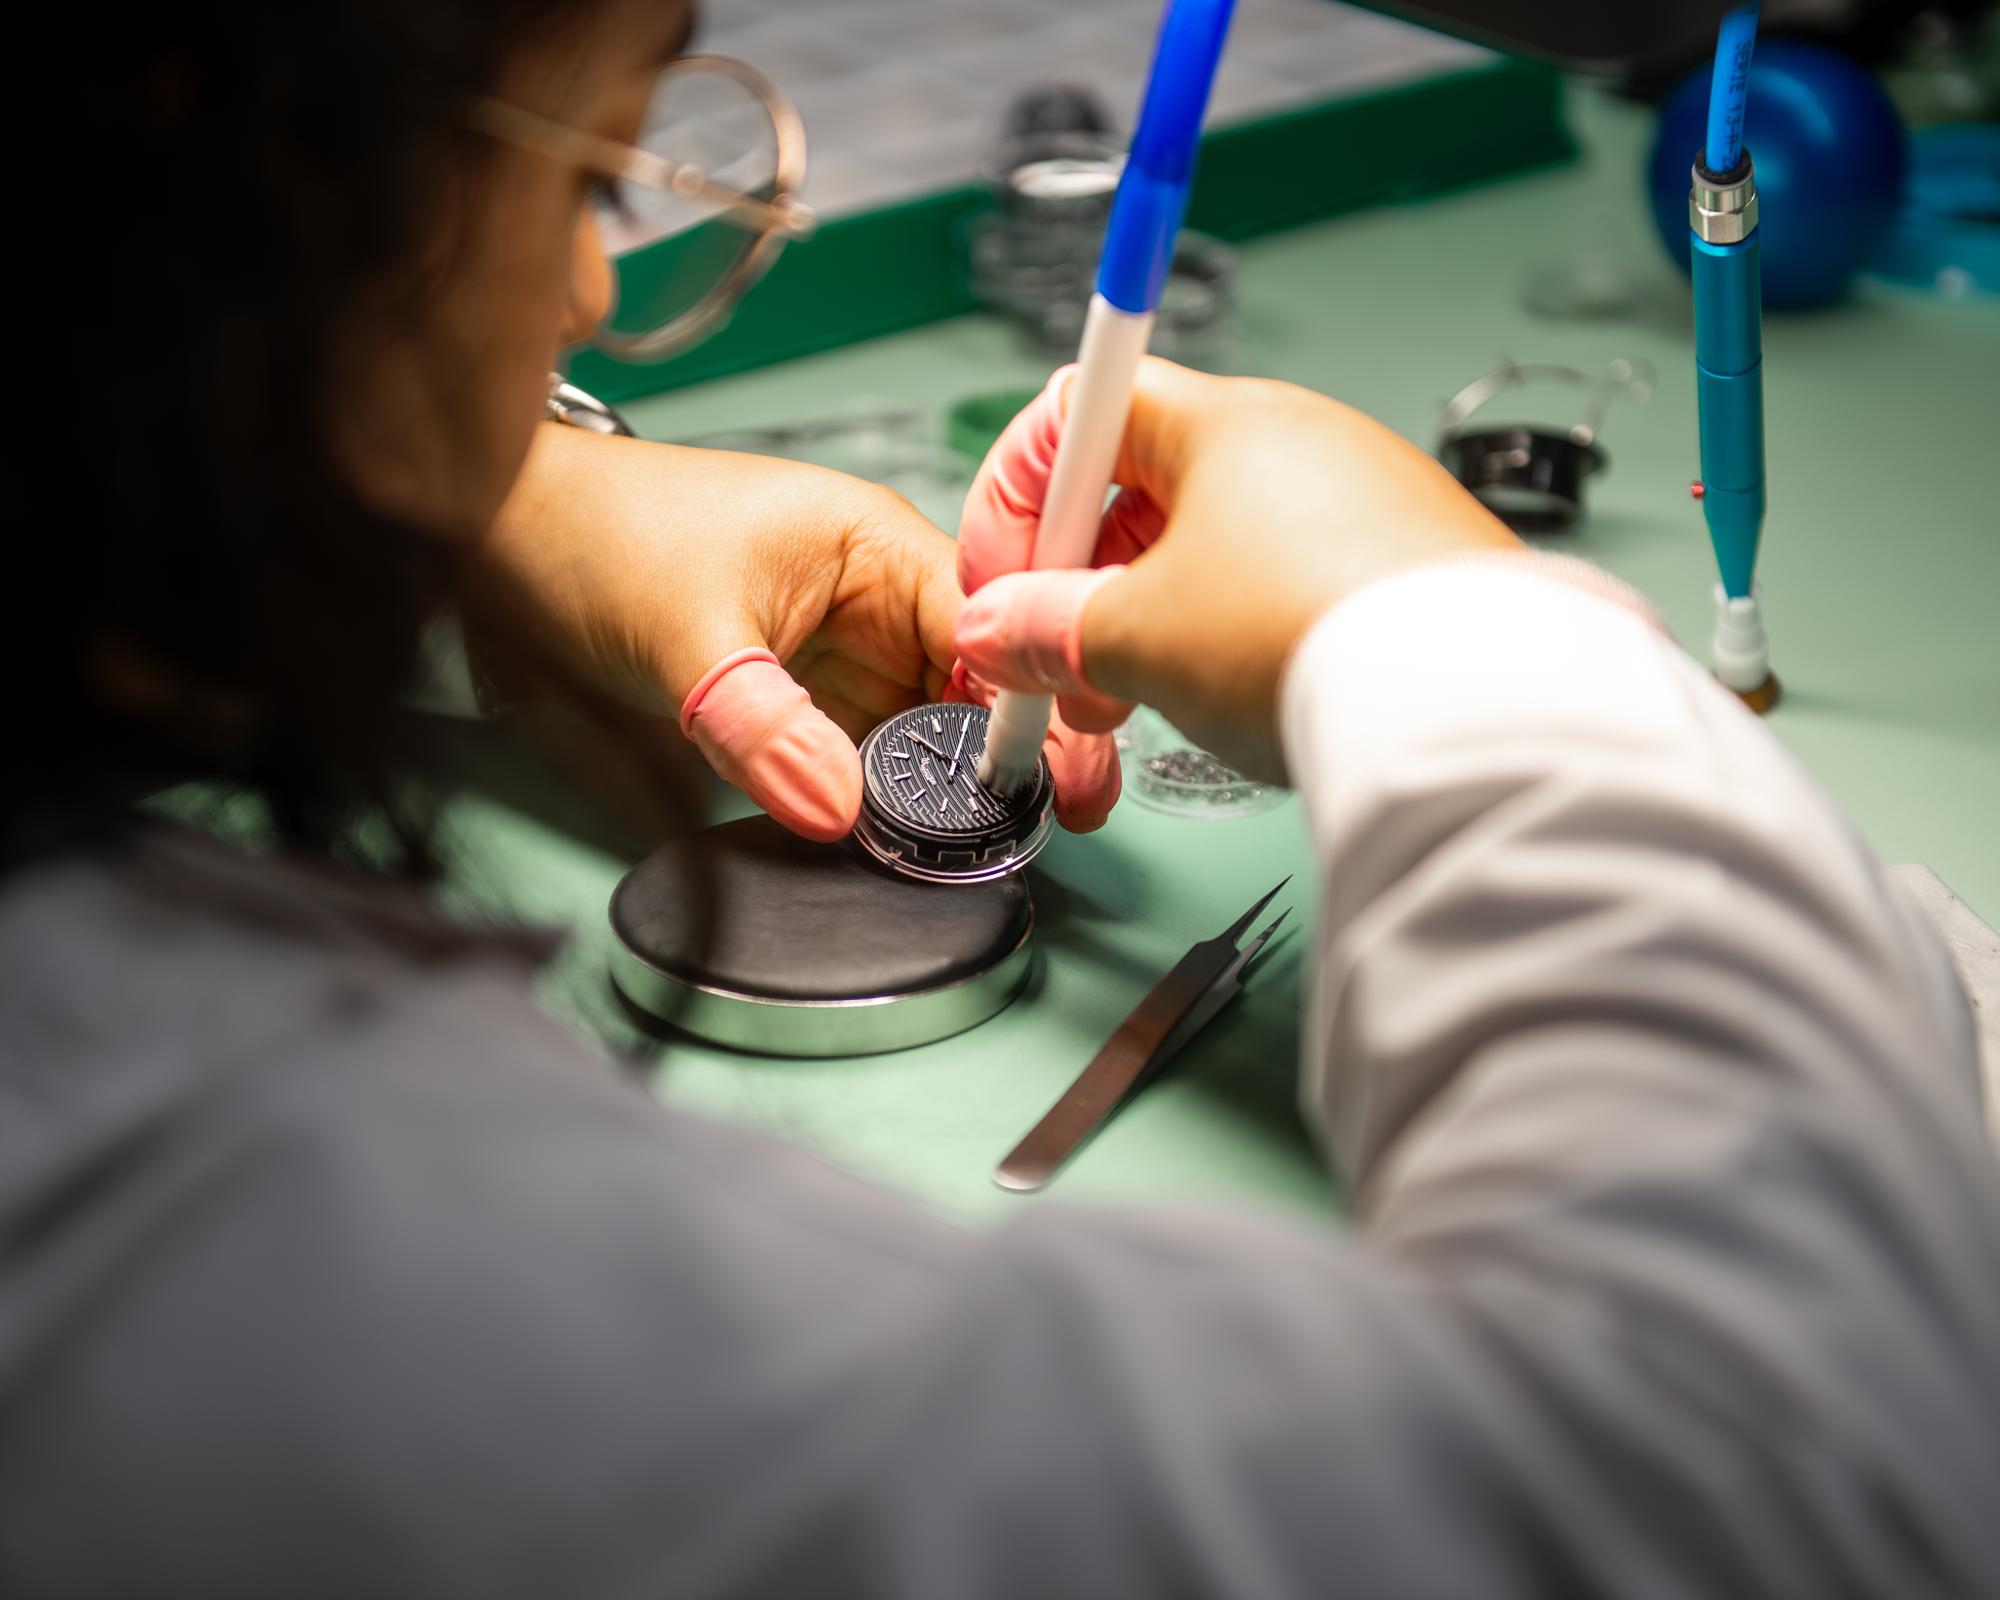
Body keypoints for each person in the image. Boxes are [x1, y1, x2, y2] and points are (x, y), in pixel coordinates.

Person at [5, 3, 1997, 1597]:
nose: (593, 305)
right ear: (215, 153)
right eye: (589, 169)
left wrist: (470, 492)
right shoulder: (262, 1230)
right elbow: (1782, 1487)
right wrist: (1449, 626)